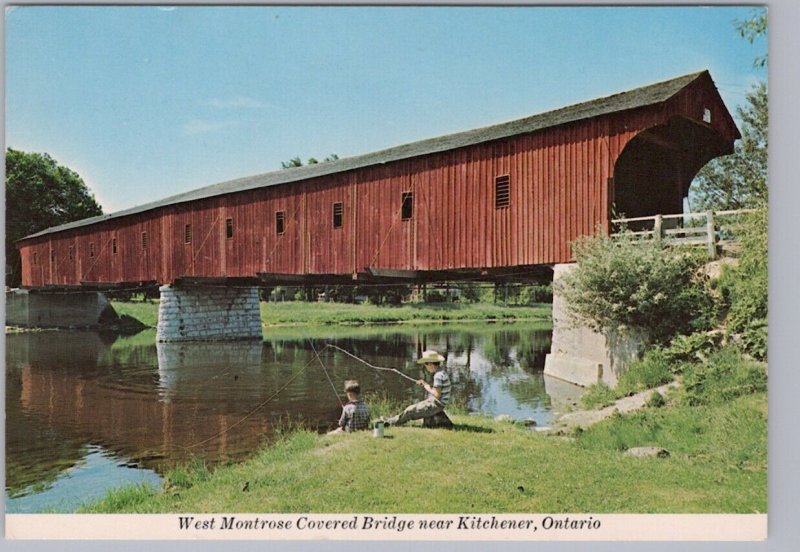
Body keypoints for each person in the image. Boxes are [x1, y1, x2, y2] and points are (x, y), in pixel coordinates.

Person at [383, 350, 452, 427]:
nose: (425, 367)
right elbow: (438, 392)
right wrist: (425, 384)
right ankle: (391, 420)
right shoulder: (442, 372)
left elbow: (437, 394)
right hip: (437, 403)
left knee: (409, 410)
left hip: (436, 405)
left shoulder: (438, 376)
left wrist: (427, 387)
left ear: (430, 364)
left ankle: (390, 423)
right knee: (412, 408)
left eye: (425, 364)